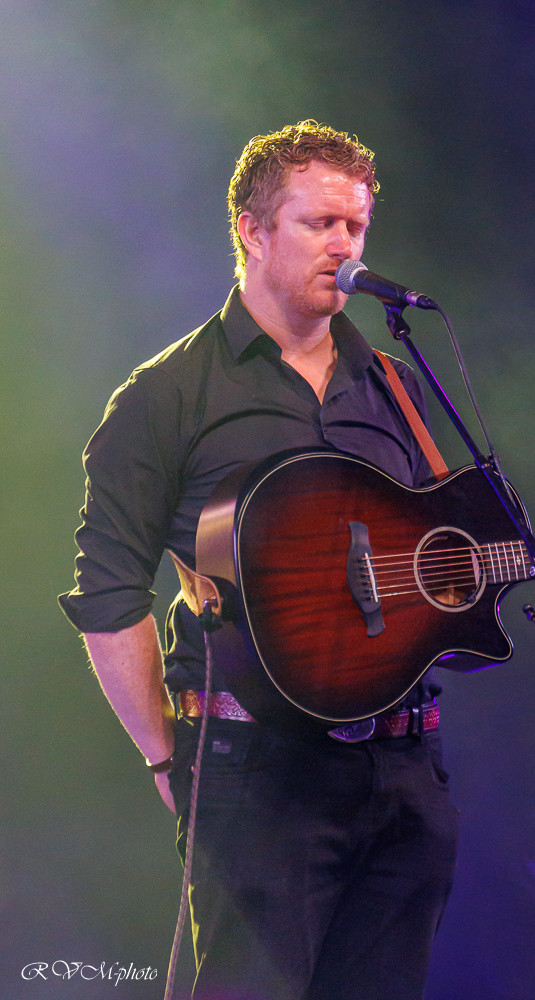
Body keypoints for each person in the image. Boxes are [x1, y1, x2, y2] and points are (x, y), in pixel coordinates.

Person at [60, 120, 459, 1000]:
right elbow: (108, 592)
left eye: (355, 227)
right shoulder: (167, 395)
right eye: (320, 224)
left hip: (401, 772)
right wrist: (168, 761)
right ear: (252, 229)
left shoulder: (392, 383)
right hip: (254, 773)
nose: (345, 248)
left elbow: (435, 553)